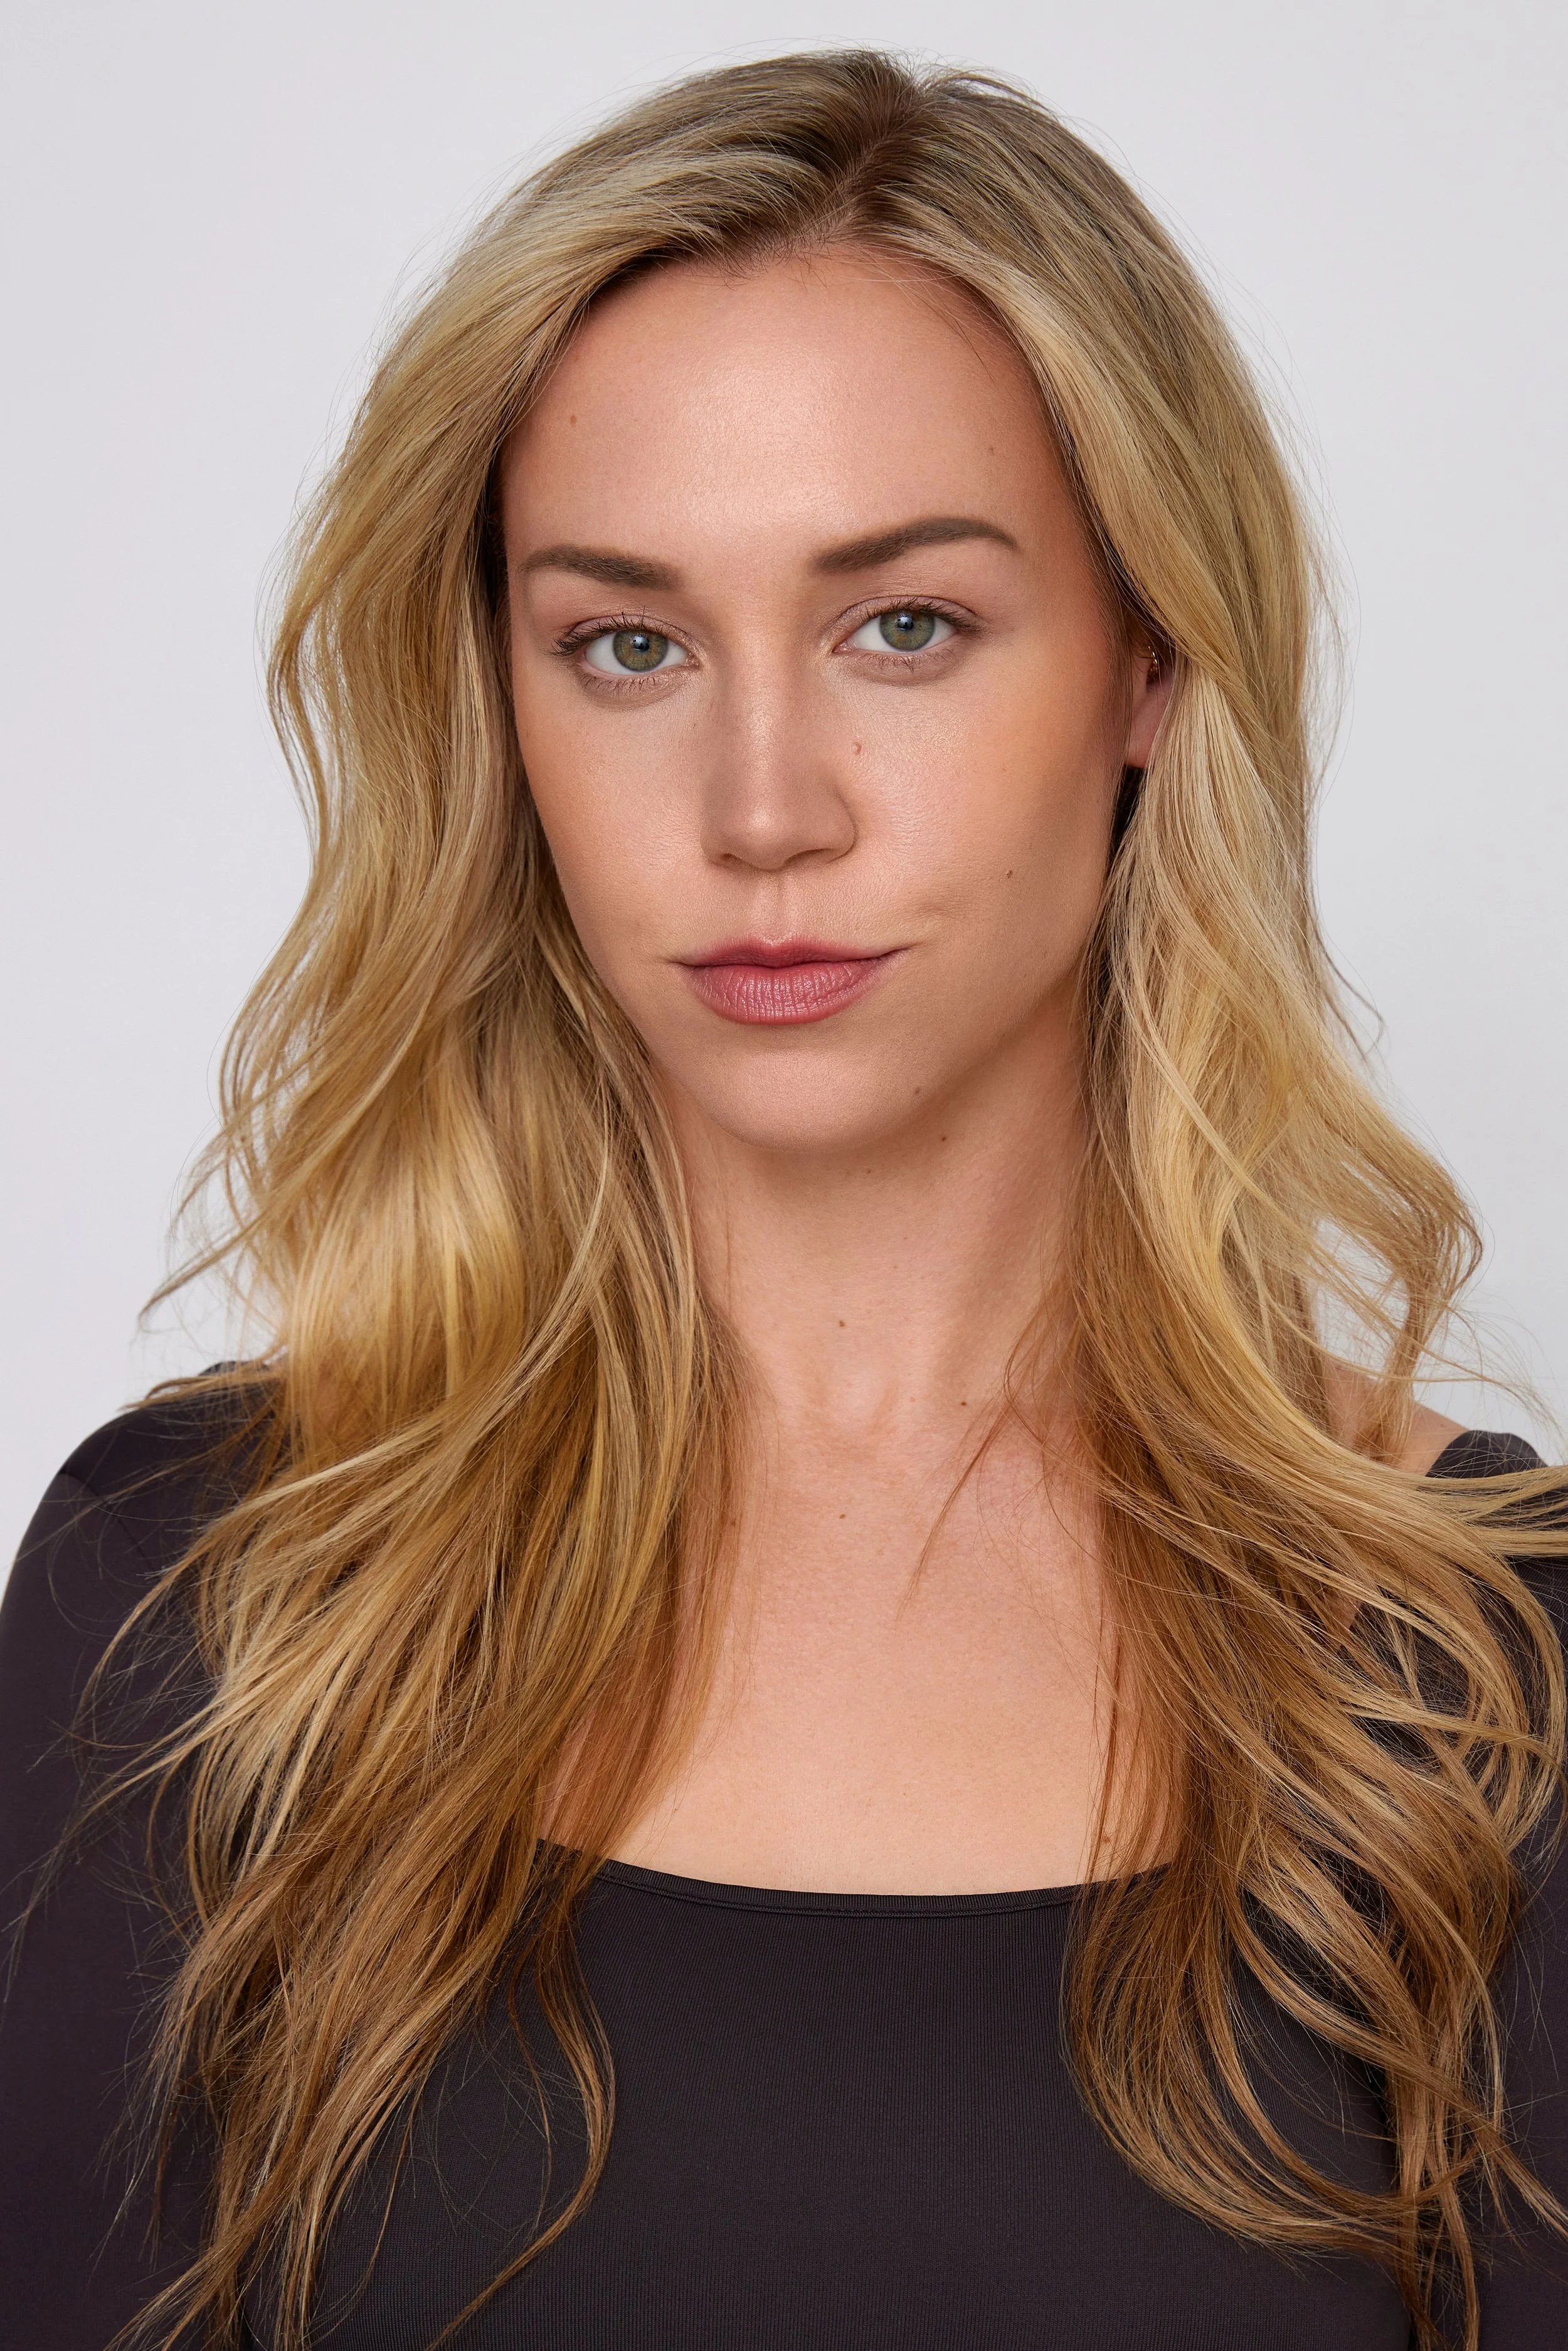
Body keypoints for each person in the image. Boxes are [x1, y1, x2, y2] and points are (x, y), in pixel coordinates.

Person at [1, 48, 1565, 2351]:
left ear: (1146, 662)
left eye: (900, 626)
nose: (760, 807)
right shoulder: (206, 1602)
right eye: (624, 643)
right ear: (501, 709)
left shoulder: (1488, 1693)